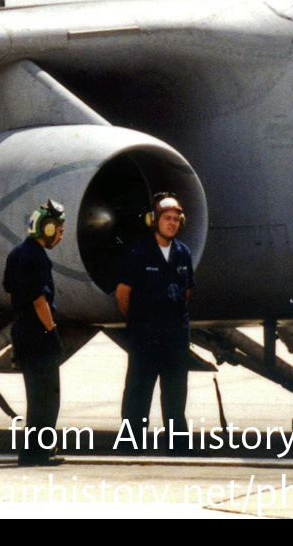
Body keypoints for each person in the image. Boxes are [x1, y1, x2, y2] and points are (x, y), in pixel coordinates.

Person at [116, 193, 195, 451]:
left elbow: (186, 292)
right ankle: (131, 443)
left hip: (175, 336)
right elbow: (123, 294)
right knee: (139, 391)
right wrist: (139, 322)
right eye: (166, 218)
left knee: (175, 393)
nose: (171, 223)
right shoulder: (139, 253)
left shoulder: (183, 254)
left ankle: (178, 444)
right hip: (145, 335)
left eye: (176, 219)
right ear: (154, 221)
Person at [3, 199, 66, 466]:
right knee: (47, 397)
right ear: (47, 228)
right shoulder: (38, 258)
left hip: (22, 329)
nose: (61, 235)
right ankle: (36, 455)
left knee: (35, 396)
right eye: (60, 230)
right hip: (38, 332)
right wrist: (51, 331)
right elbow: (40, 300)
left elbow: (9, 290)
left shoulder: (16, 253)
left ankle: (34, 452)